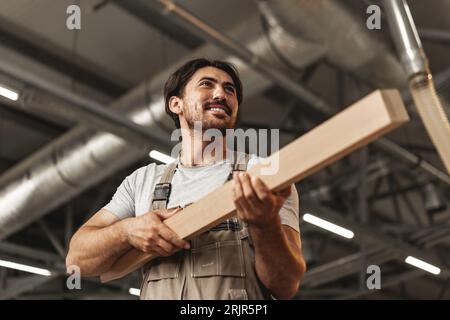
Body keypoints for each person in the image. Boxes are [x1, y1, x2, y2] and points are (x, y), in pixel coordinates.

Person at [66, 58, 306, 300]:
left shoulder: (263, 175)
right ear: (175, 104)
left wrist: (265, 225)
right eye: (206, 84)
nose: (221, 94)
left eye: (229, 89)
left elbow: (286, 285)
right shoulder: (143, 181)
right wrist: (127, 231)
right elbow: (77, 260)